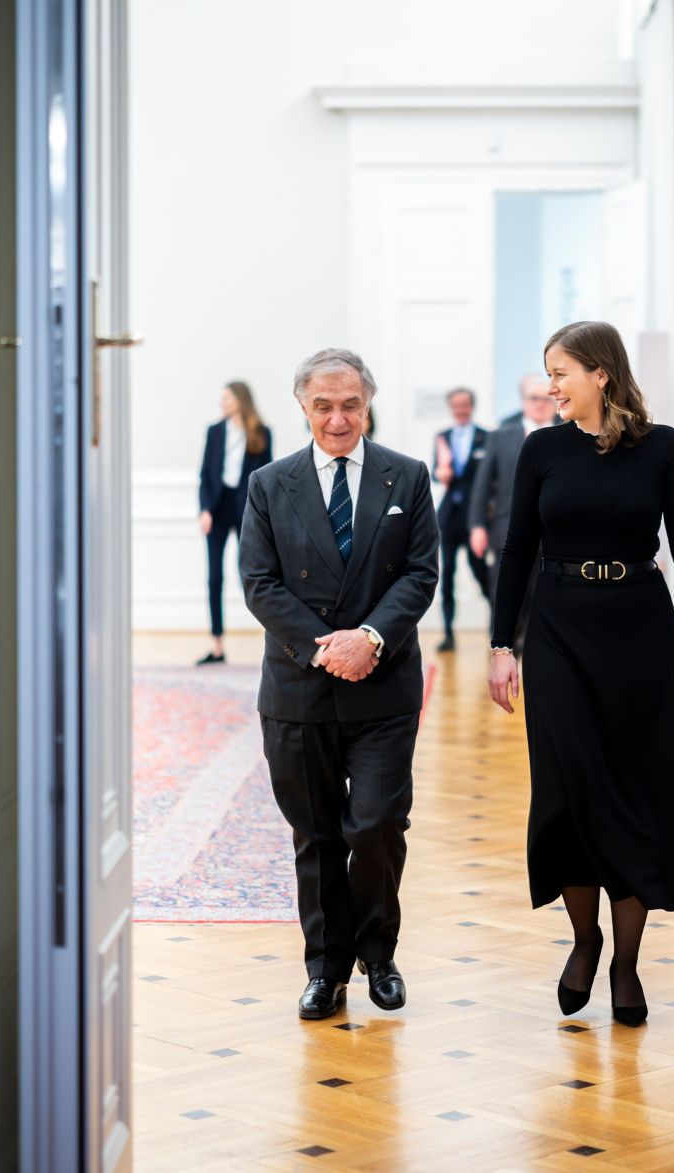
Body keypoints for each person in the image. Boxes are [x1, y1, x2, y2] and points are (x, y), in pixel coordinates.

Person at [486, 321, 674, 1027]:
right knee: (567, 789)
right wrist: (503, 643)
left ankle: (625, 959)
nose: (551, 386)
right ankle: (584, 937)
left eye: (560, 372)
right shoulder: (541, 449)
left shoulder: (663, 447)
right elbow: (517, 547)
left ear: (601, 373)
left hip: (640, 630)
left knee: (634, 793)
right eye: (548, 374)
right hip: (560, 628)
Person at [238, 348, 440, 1021]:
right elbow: (259, 582)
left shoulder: (406, 478)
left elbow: (420, 572)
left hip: (383, 684)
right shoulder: (270, 484)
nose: (337, 417)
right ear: (303, 407)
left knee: (378, 821)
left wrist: (370, 639)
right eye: (323, 405)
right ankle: (326, 969)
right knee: (317, 833)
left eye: (350, 403)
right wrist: (328, 648)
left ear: (368, 403)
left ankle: (378, 953)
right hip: (300, 686)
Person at [468, 372, 556, 657]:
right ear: (523, 401)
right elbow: (482, 484)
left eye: (546, 398)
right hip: (507, 529)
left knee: (543, 594)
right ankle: (503, 649)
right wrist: (477, 526)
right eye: (534, 398)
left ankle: (533, 649)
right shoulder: (501, 436)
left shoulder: (570, 433)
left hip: (555, 533)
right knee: (504, 590)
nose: (540, 404)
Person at [196, 381, 273, 665]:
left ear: (240, 400)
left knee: (250, 575)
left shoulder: (261, 433)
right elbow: (205, 473)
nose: (222, 402)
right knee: (214, 577)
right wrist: (204, 510)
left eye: (226, 397)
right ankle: (217, 646)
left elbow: (267, 476)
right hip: (217, 509)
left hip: (246, 510)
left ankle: (274, 639)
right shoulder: (214, 432)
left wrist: (263, 515)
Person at [431, 387, 491, 652]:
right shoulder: (442, 438)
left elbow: (491, 477)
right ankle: (448, 634)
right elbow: (437, 473)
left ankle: (497, 627)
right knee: (447, 576)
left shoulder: (487, 438)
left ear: (471, 406)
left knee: (481, 572)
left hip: (475, 518)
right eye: (455, 405)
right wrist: (440, 470)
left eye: (464, 405)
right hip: (449, 516)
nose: (460, 410)